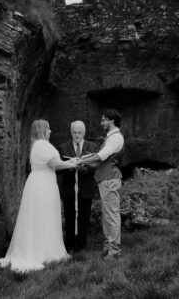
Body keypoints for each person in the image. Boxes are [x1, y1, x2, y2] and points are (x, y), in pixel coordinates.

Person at [0, 119, 76, 273]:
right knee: (43, 216)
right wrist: (72, 164)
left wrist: (70, 161)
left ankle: (47, 250)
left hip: (42, 182)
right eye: (48, 128)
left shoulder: (38, 145)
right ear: (42, 130)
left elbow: (54, 162)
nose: (50, 131)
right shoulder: (41, 145)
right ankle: (42, 252)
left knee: (43, 217)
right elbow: (54, 163)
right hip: (42, 185)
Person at [78, 109, 124, 261]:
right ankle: (108, 246)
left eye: (104, 120)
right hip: (105, 179)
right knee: (107, 215)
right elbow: (99, 160)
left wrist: (81, 160)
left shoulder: (115, 138)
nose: (101, 122)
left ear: (112, 120)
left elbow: (101, 156)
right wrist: (85, 162)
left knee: (112, 215)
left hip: (110, 179)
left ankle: (115, 250)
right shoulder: (110, 137)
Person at [59, 120, 97, 252]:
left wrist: (84, 169)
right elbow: (59, 168)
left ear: (84, 132)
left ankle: (81, 245)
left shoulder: (92, 147)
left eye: (79, 132)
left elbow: (95, 168)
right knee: (69, 216)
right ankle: (69, 245)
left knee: (84, 217)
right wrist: (70, 166)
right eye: (74, 132)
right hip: (69, 187)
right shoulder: (63, 147)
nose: (77, 135)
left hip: (85, 187)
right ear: (71, 132)